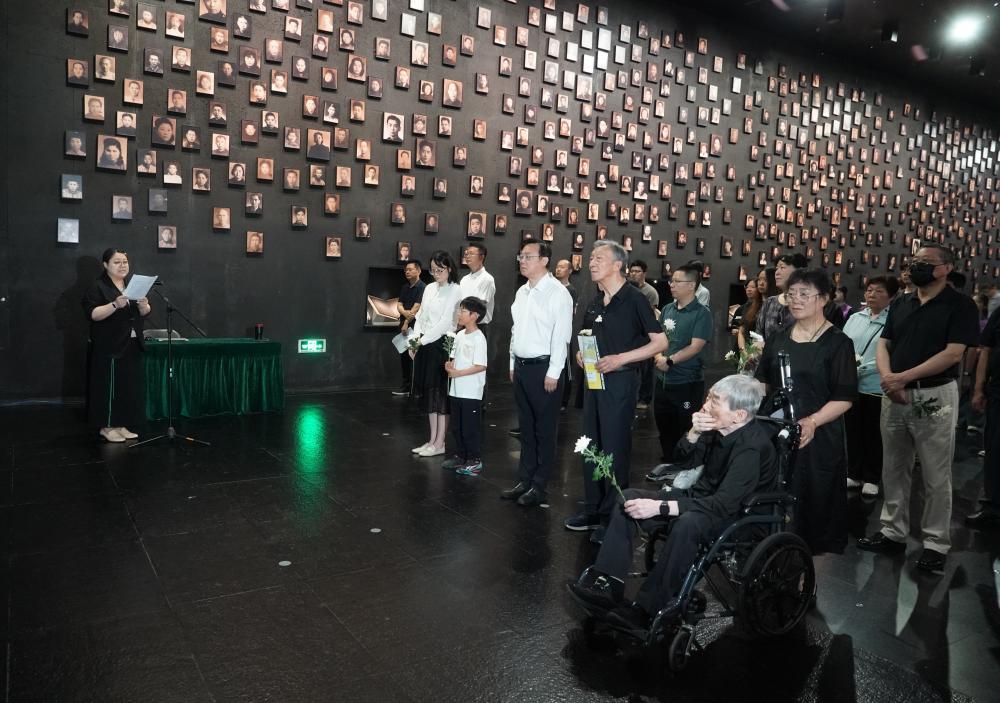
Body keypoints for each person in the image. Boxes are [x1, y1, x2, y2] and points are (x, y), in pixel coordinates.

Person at [570, 375, 775, 630]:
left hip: (734, 517)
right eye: (708, 398)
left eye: (714, 401)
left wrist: (660, 507)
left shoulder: (751, 448)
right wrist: (694, 432)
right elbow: (681, 461)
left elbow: (724, 504)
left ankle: (647, 610)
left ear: (739, 415)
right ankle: (608, 584)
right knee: (629, 498)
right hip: (701, 500)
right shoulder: (717, 430)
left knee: (687, 524)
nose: (705, 406)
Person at [859, 244, 980, 572]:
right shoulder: (902, 301)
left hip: (933, 394)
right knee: (893, 467)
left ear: (946, 268)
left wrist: (903, 378)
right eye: (914, 262)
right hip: (894, 393)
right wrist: (889, 378)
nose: (917, 267)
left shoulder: (960, 305)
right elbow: (884, 343)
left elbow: (953, 353)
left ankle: (935, 542)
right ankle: (892, 531)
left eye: (926, 262)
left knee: (935, 473)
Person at [566, 241, 668, 537]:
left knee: (614, 448)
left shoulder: (635, 299)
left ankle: (613, 518)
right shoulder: (596, 301)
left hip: (621, 382)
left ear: (617, 265)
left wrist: (621, 359)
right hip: (594, 381)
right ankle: (593, 509)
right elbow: (587, 336)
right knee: (591, 445)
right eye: (591, 258)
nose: (591, 263)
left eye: (598, 258)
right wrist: (581, 354)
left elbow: (660, 342)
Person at [756, 269, 857, 554]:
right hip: (778, 430)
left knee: (814, 500)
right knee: (776, 494)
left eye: (804, 294)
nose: (796, 300)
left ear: (823, 299)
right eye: (791, 294)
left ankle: (808, 563)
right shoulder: (778, 338)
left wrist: (811, 421)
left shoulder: (838, 343)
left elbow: (844, 397)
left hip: (818, 434)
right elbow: (763, 383)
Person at [502, 239, 574, 507]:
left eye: (528, 256)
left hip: (545, 369)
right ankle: (525, 480)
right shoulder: (522, 292)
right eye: (521, 256)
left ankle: (540, 486)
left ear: (544, 260)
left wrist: (554, 372)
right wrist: (512, 363)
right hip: (522, 368)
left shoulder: (558, 293)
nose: (522, 261)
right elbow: (515, 330)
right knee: (526, 429)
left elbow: (562, 336)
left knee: (544, 431)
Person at [647, 264, 714, 480]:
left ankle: (685, 467)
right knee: (663, 423)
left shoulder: (701, 314)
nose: (671, 284)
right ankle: (668, 462)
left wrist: (670, 360)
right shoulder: (667, 309)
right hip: (663, 379)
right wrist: (658, 357)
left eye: (677, 281)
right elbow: (658, 338)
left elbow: (695, 346)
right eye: (672, 281)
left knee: (684, 425)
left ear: (691, 285)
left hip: (687, 381)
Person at [82, 248, 151, 443]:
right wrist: (114, 305)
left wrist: (144, 306)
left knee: (127, 387)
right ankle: (107, 427)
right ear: (106, 265)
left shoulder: (131, 286)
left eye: (125, 262)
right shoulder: (98, 287)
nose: (122, 266)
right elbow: (93, 314)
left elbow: (144, 312)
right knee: (109, 388)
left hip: (131, 343)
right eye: (117, 262)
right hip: (109, 346)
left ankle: (121, 424)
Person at [844, 276, 899, 496]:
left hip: (876, 384)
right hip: (851, 384)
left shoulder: (894, 320)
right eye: (869, 290)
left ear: (891, 296)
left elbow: (893, 352)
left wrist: (862, 368)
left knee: (874, 433)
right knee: (853, 430)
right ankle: (854, 472)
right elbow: (843, 343)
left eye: (879, 291)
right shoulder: (855, 317)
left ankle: (872, 477)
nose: (871, 295)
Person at [410, 251, 463, 457]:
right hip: (425, 342)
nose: (436, 274)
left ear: (449, 268)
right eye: (433, 270)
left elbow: (445, 323)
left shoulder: (456, 290)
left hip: (442, 344)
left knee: (441, 395)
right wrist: (414, 341)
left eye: (440, 270)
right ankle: (432, 440)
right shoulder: (430, 288)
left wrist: (420, 341)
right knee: (429, 393)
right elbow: (421, 316)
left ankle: (440, 442)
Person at [442, 297, 490, 476]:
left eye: (463, 311)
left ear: (474, 315)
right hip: (456, 389)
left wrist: (458, 374)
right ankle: (461, 456)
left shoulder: (479, 338)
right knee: (457, 426)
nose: (459, 314)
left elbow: (481, 366)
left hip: (471, 392)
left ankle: (474, 460)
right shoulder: (460, 335)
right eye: (460, 310)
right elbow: (454, 359)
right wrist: (449, 365)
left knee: (470, 428)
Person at [970, 302, 1000, 528]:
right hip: (997, 392)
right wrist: (979, 388)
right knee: (995, 450)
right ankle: (993, 506)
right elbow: (986, 350)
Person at [628, 260, 660, 410]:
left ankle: (644, 399)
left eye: (637, 271)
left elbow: (649, 315)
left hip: (645, 335)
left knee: (646, 369)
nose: (634, 274)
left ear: (644, 274)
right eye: (632, 271)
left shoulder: (650, 292)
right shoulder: (626, 288)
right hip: (629, 333)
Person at [756, 253, 807, 344]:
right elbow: (758, 335)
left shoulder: (808, 303)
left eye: (782, 267)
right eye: (777, 268)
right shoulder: (770, 302)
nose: (777, 272)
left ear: (798, 271)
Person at [458, 243, 496, 338]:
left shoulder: (487, 279)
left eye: (471, 253)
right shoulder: (464, 279)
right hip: (462, 325)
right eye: (466, 253)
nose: (467, 256)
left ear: (481, 257)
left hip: (478, 326)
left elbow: (478, 306)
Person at [733, 278, 762, 353]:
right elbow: (737, 327)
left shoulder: (764, 306)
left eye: (752, 287)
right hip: (741, 345)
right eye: (747, 287)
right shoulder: (742, 308)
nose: (749, 289)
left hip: (757, 346)